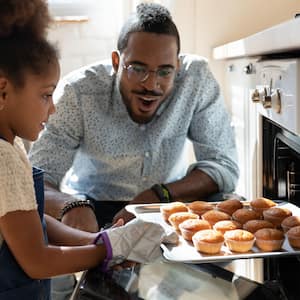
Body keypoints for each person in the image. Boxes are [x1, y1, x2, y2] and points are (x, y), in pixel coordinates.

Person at [29, 2, 239, 299]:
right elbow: (36, 176)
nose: (150, 84)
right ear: (116, 61)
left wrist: (158, 195)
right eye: (137, 68)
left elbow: (223, 165)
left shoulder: (197, 79)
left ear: (177, 66)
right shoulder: (78, 92)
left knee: (230, 202)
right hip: (94, 207)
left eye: (164, 71)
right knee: (37, 222)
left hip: (166, 205)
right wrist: (70, 205)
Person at [0, 1, 173, 299]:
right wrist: (107, 251)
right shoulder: (4, 159)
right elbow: (36, 261)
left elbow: (30, 221)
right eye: (45, 95)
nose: (53, 109)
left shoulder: (11, 146)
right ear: (2, 92)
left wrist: (97, 239)